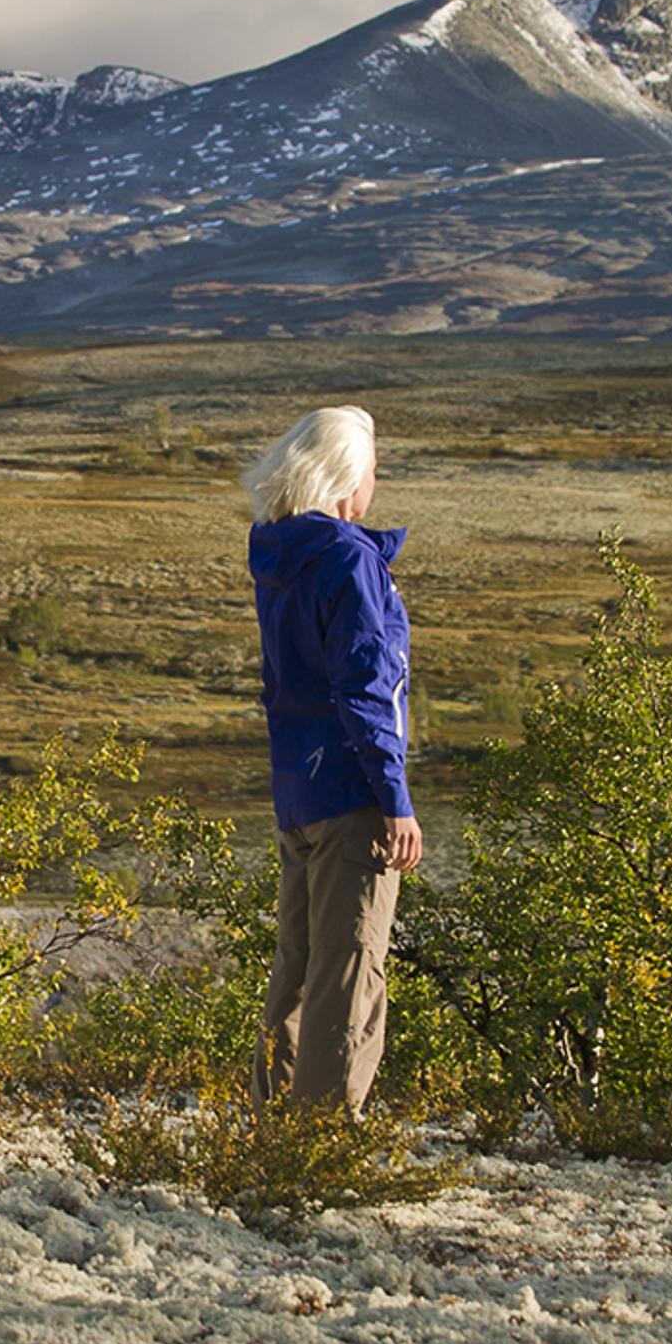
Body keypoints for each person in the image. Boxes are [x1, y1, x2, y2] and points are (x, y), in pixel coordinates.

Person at [243, 405, 422, 1114]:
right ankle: (320, 1142)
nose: (377, 482)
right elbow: (366, 686)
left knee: (296, 968)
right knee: (348, 974)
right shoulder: (349, 559)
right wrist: (394, 799)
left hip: (298, 790)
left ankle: (270, 1133)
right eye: (374, 469)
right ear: (349, 475)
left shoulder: (278, 555)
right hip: (352, 791)